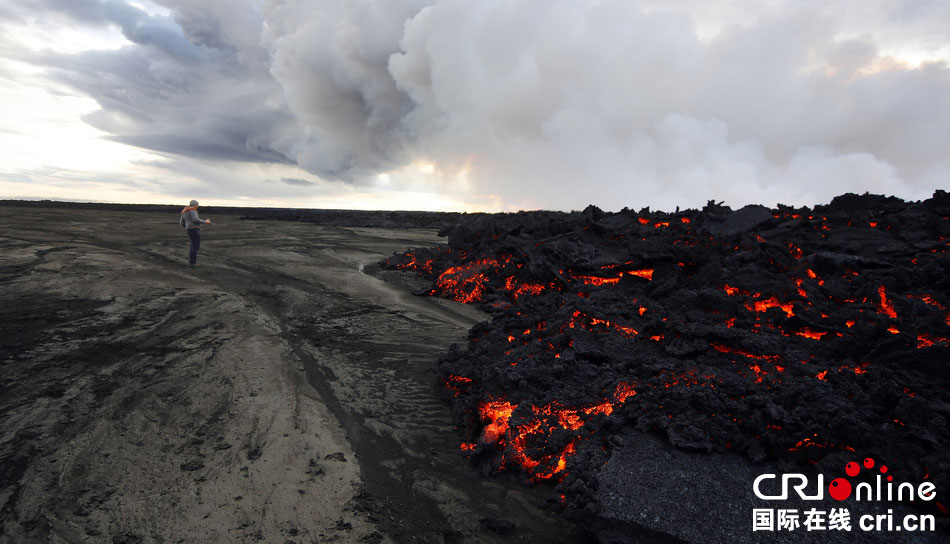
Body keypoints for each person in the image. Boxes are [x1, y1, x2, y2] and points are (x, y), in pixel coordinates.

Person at [180, 199, 211, 266]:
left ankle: (192, 262)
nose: (197, 206)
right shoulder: (192, 210)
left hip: (189, 229)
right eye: (197, 205)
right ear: (194, 204)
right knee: (195, 245)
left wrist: (187, 226)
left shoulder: (184, 210)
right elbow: (195, 220)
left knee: (193, 244)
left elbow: (181, 222)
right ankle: (192, 263)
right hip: (194, 229)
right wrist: (205, 222)